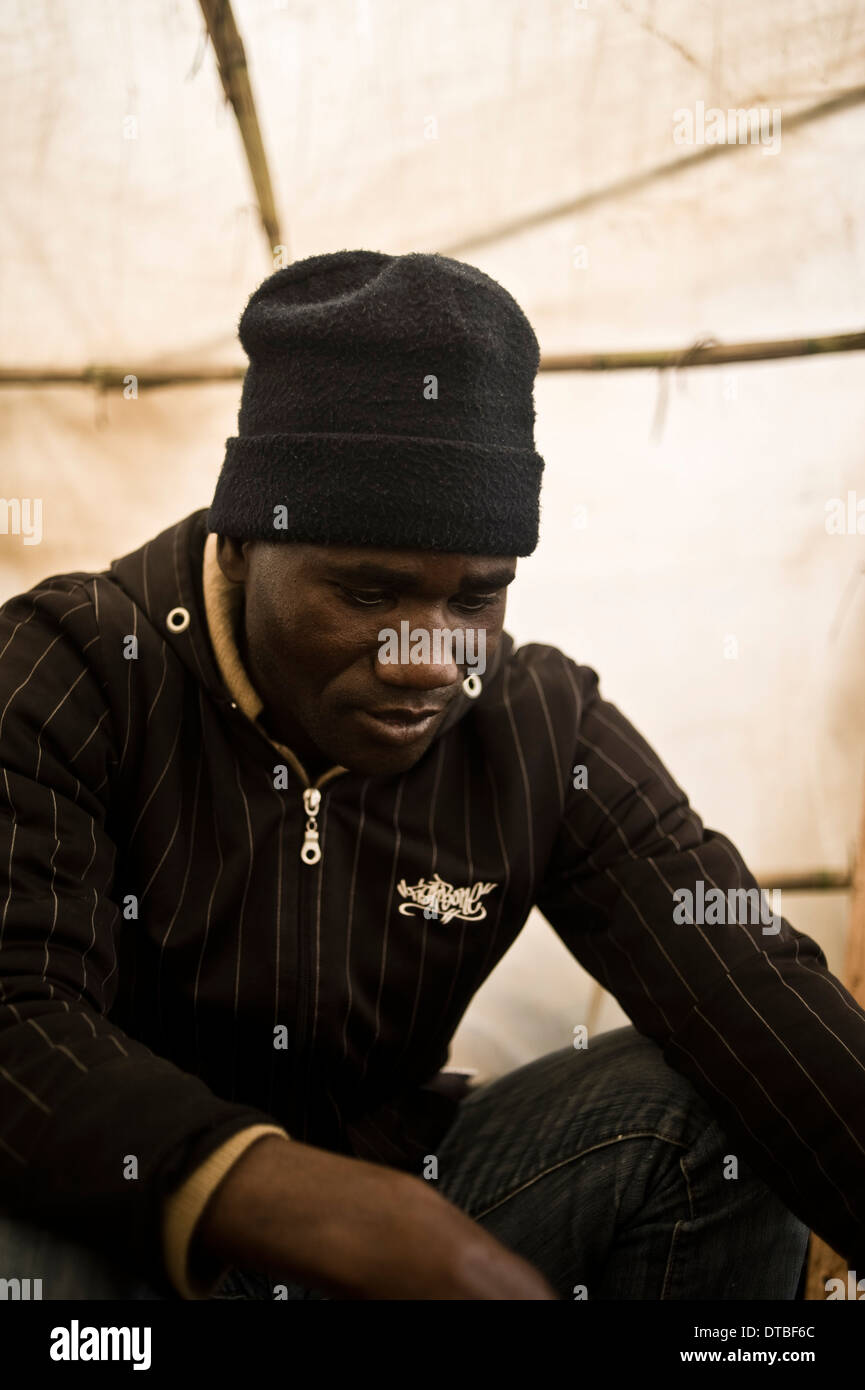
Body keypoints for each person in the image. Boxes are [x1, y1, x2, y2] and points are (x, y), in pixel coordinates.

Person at [0, 250, 858, 1302]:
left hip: (394, 1223)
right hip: (135, 1247)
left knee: (706, 1111)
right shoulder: (72, 669)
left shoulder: (539, 725)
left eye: (474, 601)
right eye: (367, 592)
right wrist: (274, 1190)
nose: (426, 662)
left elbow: (750, 990)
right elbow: (17, 1018)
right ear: (243, 534)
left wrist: (394, 1207)